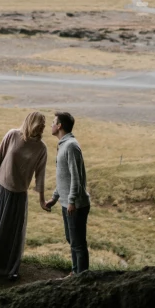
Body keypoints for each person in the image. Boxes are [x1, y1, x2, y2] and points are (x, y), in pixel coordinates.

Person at [0, 111, 49, 280]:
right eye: (40, 123)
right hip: (1, 189)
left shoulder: (41, 148)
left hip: (19, 195)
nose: (43, 127)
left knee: (10, 232)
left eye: (44, 124)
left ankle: (6, 267)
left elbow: (40, 175)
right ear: (31, 122)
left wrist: (42, 200)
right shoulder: (12, 135)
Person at [45, 112, 90, 275]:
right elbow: (64, 177)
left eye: (53, 122)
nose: (50, 125)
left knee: (78, 243)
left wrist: (71, 201)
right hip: (67, 203)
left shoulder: (71, 145)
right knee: (72, 241)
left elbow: (76, 178)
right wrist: (55, 198)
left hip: (76, 205)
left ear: (59, 126)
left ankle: (82, 277)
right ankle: (75, 272)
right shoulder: (64, 144)